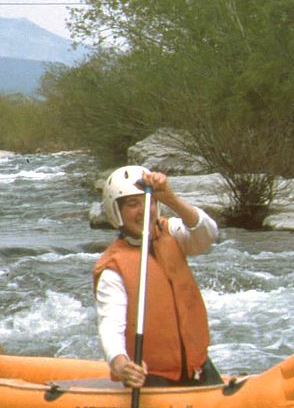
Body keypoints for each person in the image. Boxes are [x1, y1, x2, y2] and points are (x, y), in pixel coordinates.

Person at [92, 165, 223, 388]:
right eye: (133, 204)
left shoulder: (171, 231)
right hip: (153, 376)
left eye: (149, 201)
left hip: (197, 367)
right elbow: (111, 327)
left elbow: (208, 234)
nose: (145, 211)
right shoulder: (113, 267)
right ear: (117, 212)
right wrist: (120, 364)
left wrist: (170, 198)